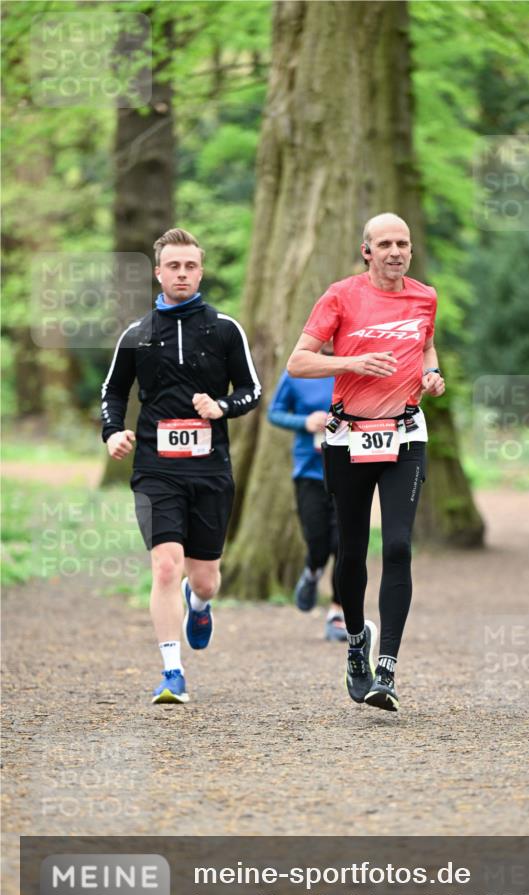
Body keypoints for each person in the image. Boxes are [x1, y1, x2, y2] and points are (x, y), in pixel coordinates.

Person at [286, 212, 445, 712]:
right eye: (385, 244)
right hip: (349, 436)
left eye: (404, 242)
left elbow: (426, 347)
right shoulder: (340, 296)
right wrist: (350, 362)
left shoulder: (425, 297)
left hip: (405, 433)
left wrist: (433, 374)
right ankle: (357, 641)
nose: (396, 251)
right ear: (367, 251)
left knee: (397, 546)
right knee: (351, 552)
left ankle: (388, 670)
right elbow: (298, 361)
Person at [101, 228, 262, 702]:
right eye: (173, 266)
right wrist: (113, 432)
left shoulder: (225, 329)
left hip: (210, 468)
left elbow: (251, 390)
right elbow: (113, 393)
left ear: (201, 270)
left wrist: (221, 408)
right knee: (166, 567)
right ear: (158, 272)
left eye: (190, 266)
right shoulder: (137, 334)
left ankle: (200, 604)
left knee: (204, 577)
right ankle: (172, 672)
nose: (182, 274)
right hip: (156, 467)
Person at [267, 360, 347, 641]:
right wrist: (305, 422)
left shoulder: (355, 366)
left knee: (344, 545)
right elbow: (274, 413)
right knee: (318, 541)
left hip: (350, 470)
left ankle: (337, 612)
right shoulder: (298, 370)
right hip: (309, 472)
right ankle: (313, 571)